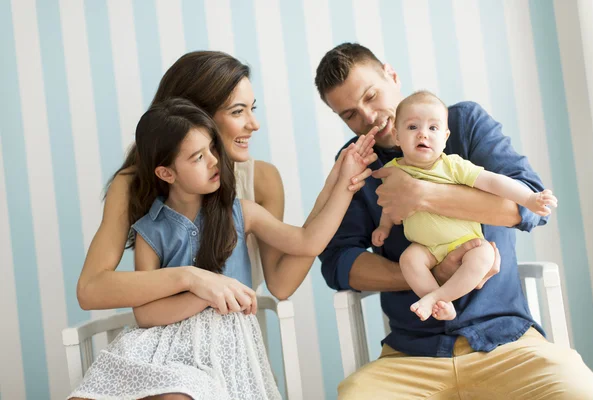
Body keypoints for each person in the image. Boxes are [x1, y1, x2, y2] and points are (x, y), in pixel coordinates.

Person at [316, 42, 593, 399]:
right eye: (350, 114)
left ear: (392, 75)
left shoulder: (463, 123)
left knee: (582, 393)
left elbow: (527, 206)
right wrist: (432, 279)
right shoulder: (358, 160)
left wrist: (421, 195)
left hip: (507, 342)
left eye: (371, 96)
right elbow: (338, 263)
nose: (368, 117)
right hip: (410, 355)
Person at [69, 98, 374, 399]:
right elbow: (146, 315)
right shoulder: (151, 230)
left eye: (212, 149)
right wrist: (204, 295)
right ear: (166, 173)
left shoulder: (241, 213)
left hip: (220, 349)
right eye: (198, 157)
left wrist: (344, 184)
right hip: (157, 347)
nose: (215, 160)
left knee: (178, 395)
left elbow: (309, 241)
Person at [75, 51, 375, 315]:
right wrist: (192, 278)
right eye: (237, 111)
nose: (253, 124)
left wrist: (333, 188)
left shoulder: (261, 180)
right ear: (195, 117)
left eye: (251, 108)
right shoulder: (132, 184)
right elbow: (91, 289)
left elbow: (282, 283)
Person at [372, 90, 557, 322]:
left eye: (433, 128)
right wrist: (384, 227)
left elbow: (492, 181)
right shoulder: (393, 170)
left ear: (445, 137)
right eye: (412, 128)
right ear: (397, 137)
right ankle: (439, 303)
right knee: (408, 260)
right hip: (427, 248)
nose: (423, 134)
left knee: (484, 256)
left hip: (465, 243)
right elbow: (389, 204)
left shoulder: (453, 166)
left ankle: (437, 298)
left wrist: (529, 199)